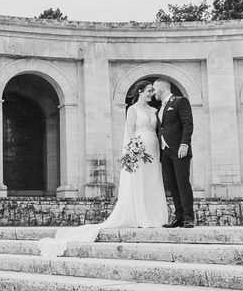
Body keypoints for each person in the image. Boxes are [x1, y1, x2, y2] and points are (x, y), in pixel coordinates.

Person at [37, 80, 168, 257]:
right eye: (148, 90)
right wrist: (134, 148)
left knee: (153, 181)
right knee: (140, 181)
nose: (151, 93)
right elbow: (129, 131)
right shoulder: (132, 110)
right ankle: (141, 216)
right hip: (139, 149)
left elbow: (160, 130)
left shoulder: (154, 110)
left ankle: (154, 216)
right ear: (140, 92)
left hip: (153, 149)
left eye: (153, 90)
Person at [153, 79, 195, 228]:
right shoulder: (160, 108)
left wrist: (184, 144)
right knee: (172, 185)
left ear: (163, 88)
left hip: (179, 150)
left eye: (154, 89)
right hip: (165, 152)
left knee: (182, 183)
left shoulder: (179, 101)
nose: (153, 93)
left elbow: (187, 124)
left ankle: (189, 218)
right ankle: (179, 217)